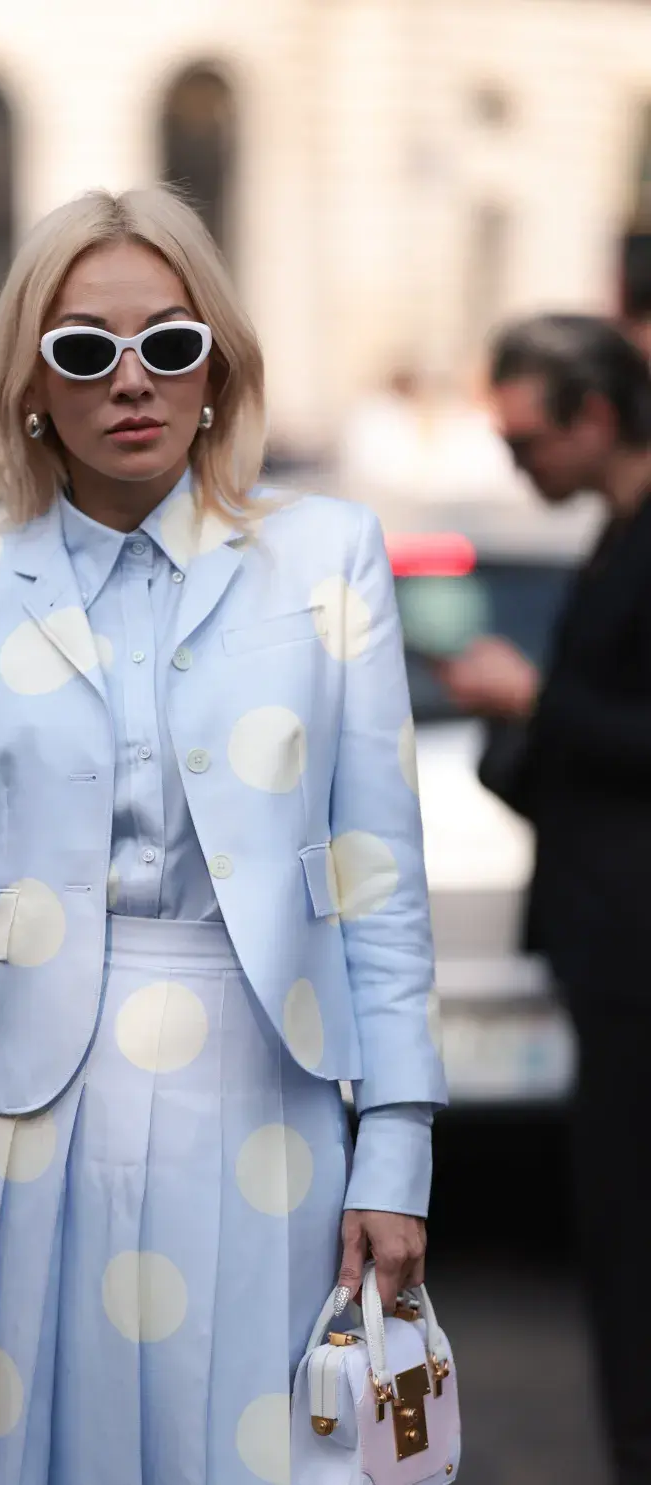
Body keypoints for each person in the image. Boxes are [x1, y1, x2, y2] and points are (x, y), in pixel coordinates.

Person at [0, 186, 446, 1485]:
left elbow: (377, 883)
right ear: (28, 385)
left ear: (215, 367)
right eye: (82, 348)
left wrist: (397, 1145)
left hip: (258, 1108)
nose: (131, 380)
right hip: (6, 1138)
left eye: (168, 343)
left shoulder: (327, 559)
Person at [438, 313, 651, 1485]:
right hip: (602, 946)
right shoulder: (612, 534)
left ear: (597, 416)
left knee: (629, 1245)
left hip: (635, 957)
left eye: (526, 442)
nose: (516, 464)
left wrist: (532, 702)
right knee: (615, 1244)